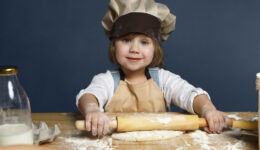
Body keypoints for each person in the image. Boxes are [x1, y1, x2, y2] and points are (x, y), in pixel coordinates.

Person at [76, 0, 228, 137]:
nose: (134, 49)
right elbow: (89, 96)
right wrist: (93, 111)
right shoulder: (108, 81)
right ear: (114, 45)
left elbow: (190, 95)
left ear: (155, 49)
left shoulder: (163, 80)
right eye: (126, 40)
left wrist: (207, 109)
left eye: (144, 42)